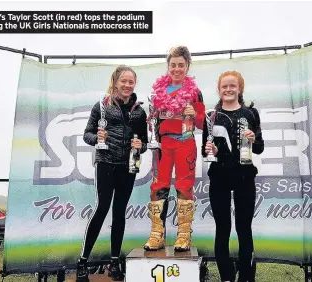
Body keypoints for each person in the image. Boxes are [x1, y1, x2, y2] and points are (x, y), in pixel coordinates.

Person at [75, 65, 148, 282]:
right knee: (102, 208)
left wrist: (140, 144)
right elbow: (86, 135)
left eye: (131, 82)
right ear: (115, 82)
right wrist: (98, 138)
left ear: (134, 84)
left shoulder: (139, 111)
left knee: (119, 212)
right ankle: (82, 261)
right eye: (123, 81)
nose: (127, 85)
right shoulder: (101, 106)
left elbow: (143, 143)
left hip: (128, 165)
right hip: (106, 162)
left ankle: (115, 261)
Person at [202, 71, 264, 282]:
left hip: (245, 177)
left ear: (240, 89)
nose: (228, 90)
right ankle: (227, 276)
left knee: (244, 228)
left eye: (232, 86)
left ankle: (247, 277)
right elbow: (206, 150)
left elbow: (260, 148)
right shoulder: (211, 116)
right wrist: (213, 150)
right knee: (223, 228)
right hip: (219, 178)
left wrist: (254, 138)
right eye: (224, 87)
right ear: (219, 90)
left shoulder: (251, 114)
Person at [144, 46, 205, 252]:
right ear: (168, 66)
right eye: (173, 65)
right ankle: (156, 235)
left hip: (185, 143)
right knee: (158, 187)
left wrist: (194, 114)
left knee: (183, 186)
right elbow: (153, 120)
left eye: (181, 65)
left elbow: (203, 123)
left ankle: (184, 235)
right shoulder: (158, 91)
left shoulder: (195, 93)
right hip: (163, 145)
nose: (177, 69)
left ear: (187, 66)